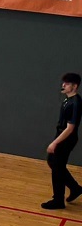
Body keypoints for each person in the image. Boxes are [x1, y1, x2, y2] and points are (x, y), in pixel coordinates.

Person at [43, 73, 82, 210]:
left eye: (67, 83)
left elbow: (70, 128)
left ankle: (58, 200)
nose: (63, 85)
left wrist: (55, 143)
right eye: (63, 82)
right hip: (61, 135)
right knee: (53, 162)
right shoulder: (68, 100)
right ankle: (75, 188)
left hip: (67, 138)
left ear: (74, 86)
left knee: (57, 167)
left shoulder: (75, 103)